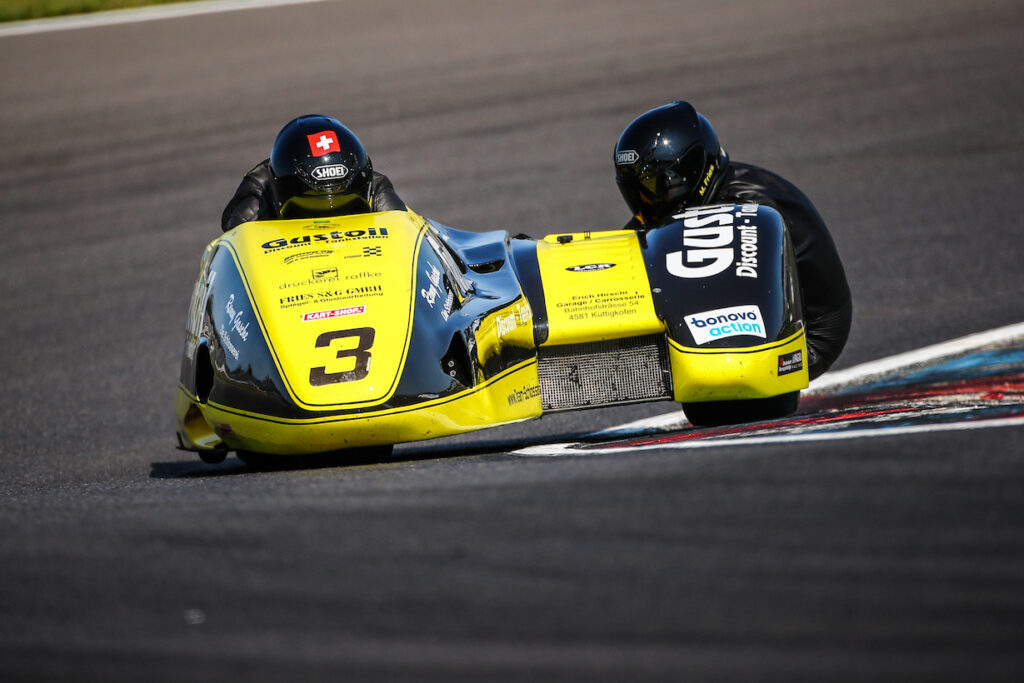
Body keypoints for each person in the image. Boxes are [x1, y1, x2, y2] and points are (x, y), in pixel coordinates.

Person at [613, 101, 852, 380]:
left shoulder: (752, 209)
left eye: (659, 188)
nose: (650, 202)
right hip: (765, 322)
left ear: (694, 171)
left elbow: (748, 298)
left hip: (808, 337)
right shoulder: (699, 198)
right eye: (639, 193)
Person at [221, 114, 406, 231]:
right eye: (310, 209)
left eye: (348, 207)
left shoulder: (380, 193)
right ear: (277, 195)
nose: (330, 227)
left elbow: (408, 237)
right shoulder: (255, 199)